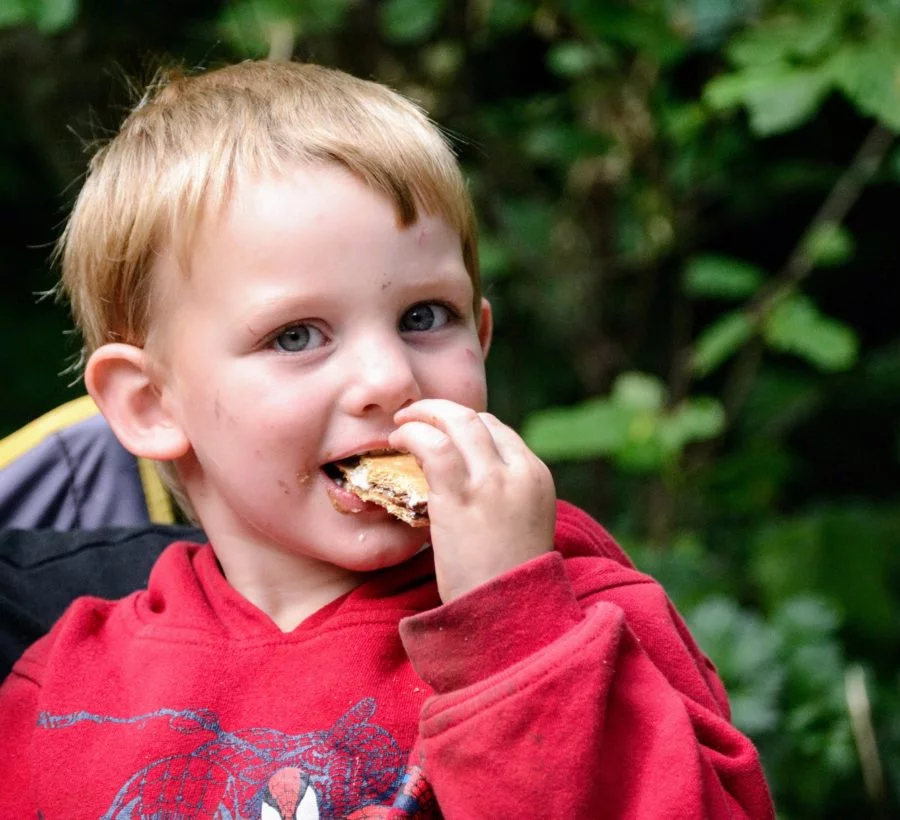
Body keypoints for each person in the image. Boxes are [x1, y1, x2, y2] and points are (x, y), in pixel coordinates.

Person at [0, 59, 774, 818]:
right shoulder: (64, 691)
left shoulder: (580, 613)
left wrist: (511, 630)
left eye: (424, 317)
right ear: (151, 405)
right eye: (298, 334)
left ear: (482, 334)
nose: (388, 376)